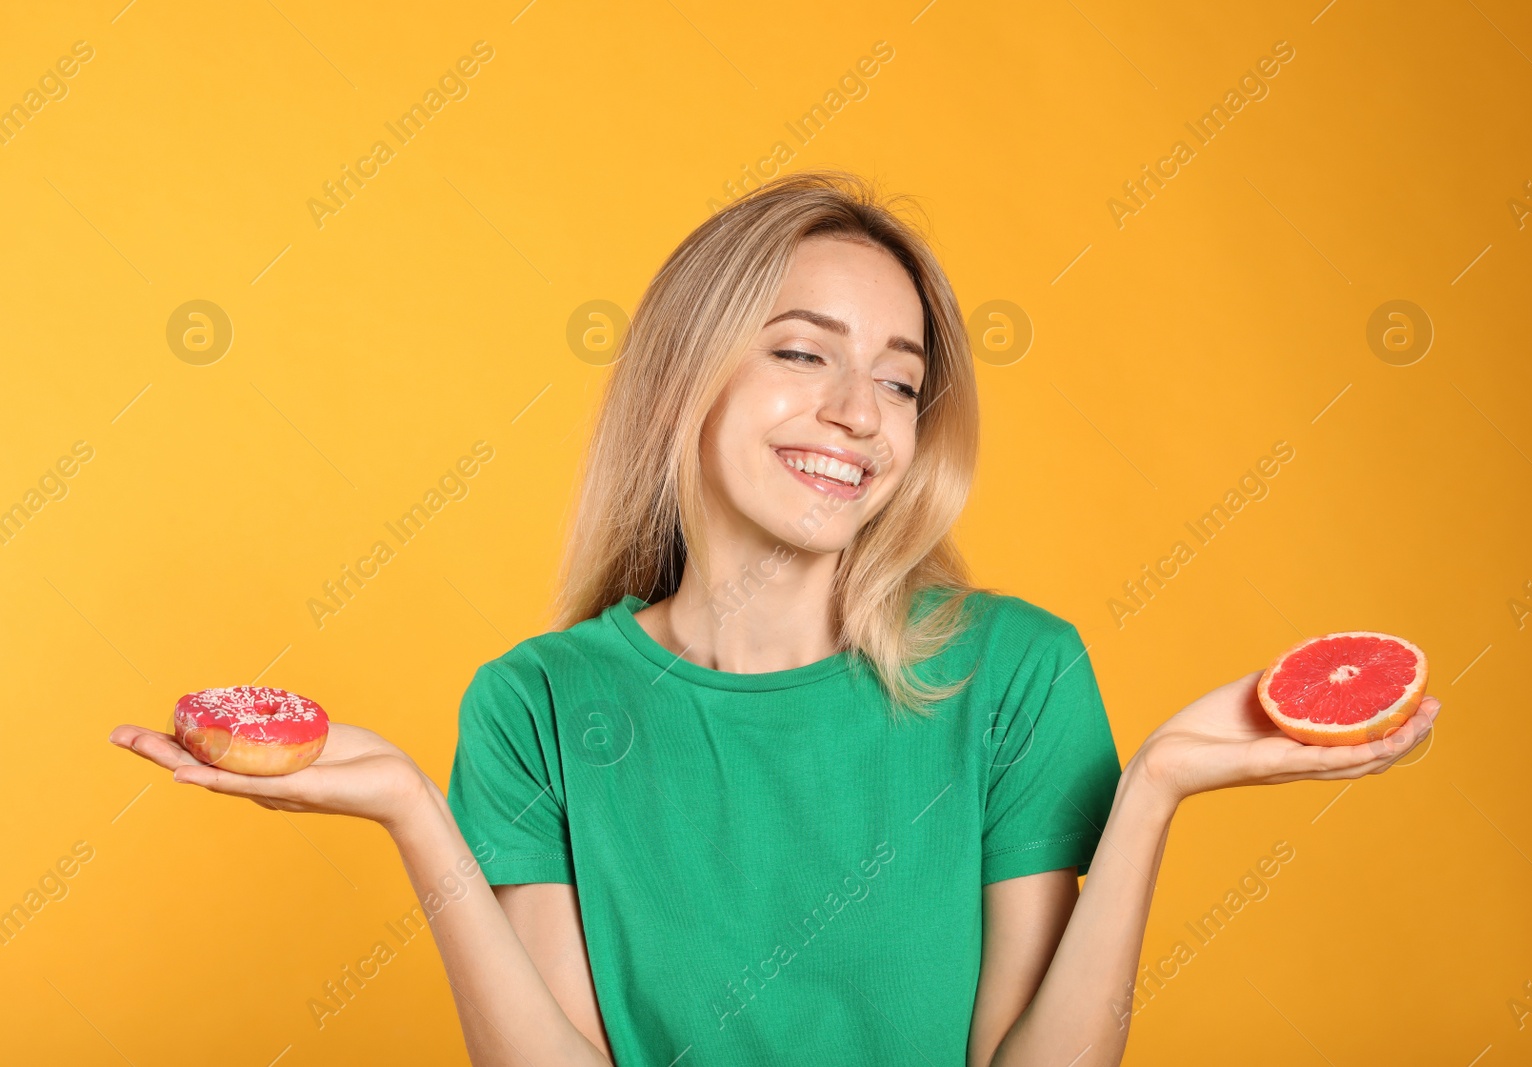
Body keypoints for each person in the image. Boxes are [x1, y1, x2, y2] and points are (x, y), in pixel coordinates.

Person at [110, 170, 1439, 1067]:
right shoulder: (536, 706)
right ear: (691, 373)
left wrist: (1152, 792)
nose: (859, 413)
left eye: (899, 378)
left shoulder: (1016, 674)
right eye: (803, 352)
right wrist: (411, 806)